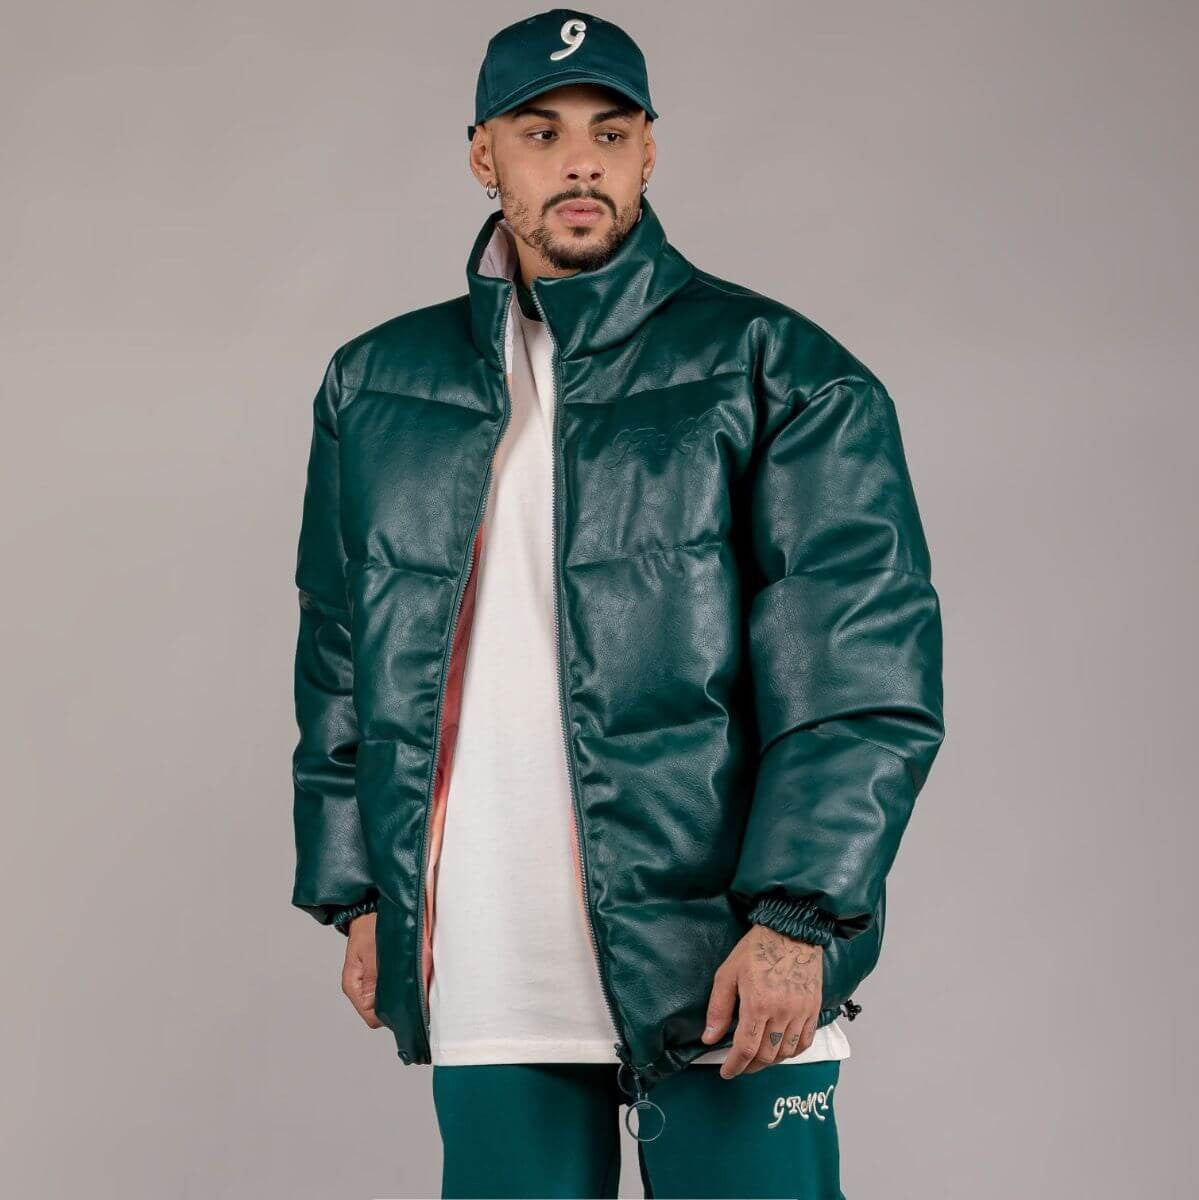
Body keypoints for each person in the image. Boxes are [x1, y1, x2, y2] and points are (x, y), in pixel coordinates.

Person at [290, 9, 945, 1197]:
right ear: (483, 156)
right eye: (540, 133)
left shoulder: (779, 367)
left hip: (724, 960)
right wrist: (362, 897)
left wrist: (797, 919)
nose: (579, 162)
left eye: (609, 131)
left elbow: (859, 674)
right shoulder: (375, 386)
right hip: (488, 963)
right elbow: (340, 654)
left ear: (649, 151)